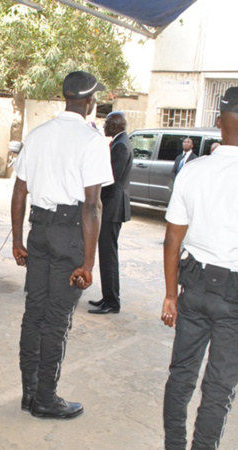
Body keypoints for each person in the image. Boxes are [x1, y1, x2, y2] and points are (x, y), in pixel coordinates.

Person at [11, 71, 113, 419]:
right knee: (56, 320)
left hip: (38, 229)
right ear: (89, 101)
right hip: (69, 232)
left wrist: (17, 240)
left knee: (34, 313)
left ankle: (29, 393)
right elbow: (92, 206)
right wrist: (88, 262)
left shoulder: (38, 135)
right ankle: (46, 398)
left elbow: (20, 190)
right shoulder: (91, 140)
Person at [161, 87, 238, 450]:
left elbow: (172, 241)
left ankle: (174, 445)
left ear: (218, 122)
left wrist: (169, 295)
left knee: (181, 375)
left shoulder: (193, 171)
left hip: (193, 288)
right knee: (219, 387)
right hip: (234, 295)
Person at [89, 111, 133, 314]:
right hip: (112, 206)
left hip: (112, 207)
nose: (104, 126)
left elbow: (110, 180)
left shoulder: (121, 145)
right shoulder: (119, 141)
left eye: (106, 123)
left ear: (115, 125)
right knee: (107, 255)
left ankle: (112, 302)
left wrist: (94, 196)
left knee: (108, 256)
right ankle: (108, 297)